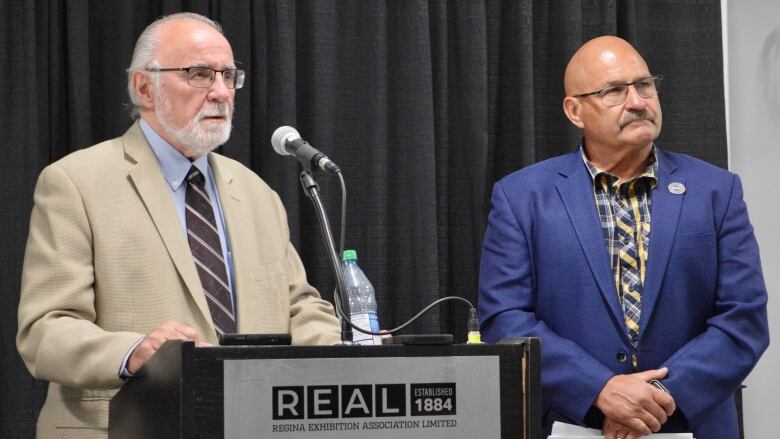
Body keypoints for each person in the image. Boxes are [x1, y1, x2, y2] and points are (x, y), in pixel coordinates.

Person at [16, 12, 340, 438]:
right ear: (144, 87)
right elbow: (45, 330)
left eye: (228, 76)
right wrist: (134, 350)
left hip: (251, 424)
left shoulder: (258, 194)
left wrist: (350, 351)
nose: (221, 92)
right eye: (200, 75)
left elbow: (300, 307)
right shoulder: (75, 183)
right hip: (126, 427)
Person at [478, 36, 769, 439]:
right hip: (572, 423)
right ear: (574, 110)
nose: (637, 101)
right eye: (614, 91)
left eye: (644, 85)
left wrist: (655, 398)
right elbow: (505, 320)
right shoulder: (522, 197)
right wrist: (600, 389)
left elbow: (744, 318)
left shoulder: (717, 191)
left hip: (692, 425)